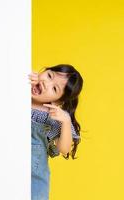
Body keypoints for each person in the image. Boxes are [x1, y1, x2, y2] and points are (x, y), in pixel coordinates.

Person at [28, 64, 84, 200]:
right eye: (49, 75)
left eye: (54, 88)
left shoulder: (52, 116)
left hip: (34, 179)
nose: (46, 84)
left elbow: (64, 149)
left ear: (57, 102)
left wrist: (65, 122)